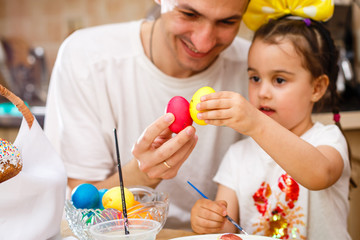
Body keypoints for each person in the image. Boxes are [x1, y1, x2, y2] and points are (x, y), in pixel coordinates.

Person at [44, 0, 250, 229]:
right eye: (189, 14)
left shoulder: (257, 69)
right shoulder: (86, 59)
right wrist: (143, 174)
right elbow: (83, 208)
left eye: (227, 22)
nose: (203, 42)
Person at [190, 0, 351, 238]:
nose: (263, 92)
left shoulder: (327, 140)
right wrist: (209, 220)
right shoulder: (238, 156)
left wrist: (256, 123)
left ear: (317, 88)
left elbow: (319, 175)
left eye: (279, 80)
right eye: (255, 78)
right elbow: (229, 229)